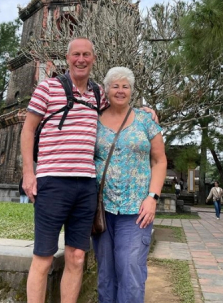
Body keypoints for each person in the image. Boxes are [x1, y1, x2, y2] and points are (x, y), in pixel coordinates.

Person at [21, 37, 107, 303]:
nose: (81, 59)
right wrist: (28, 172)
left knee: (77, 256)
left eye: (86, 55)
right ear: (67, 58)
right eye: (76, 55)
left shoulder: (98, 93)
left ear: (93, 58)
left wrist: (145, 112)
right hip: (53, 182)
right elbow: (28, 129)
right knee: (44, 257)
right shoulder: (47, 88)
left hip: (86, 185)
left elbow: (119, 115)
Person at [92, 67, 166, 303]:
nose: (120, 90)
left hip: (137, 210)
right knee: (106, 272)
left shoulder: (146, 120)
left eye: (125, 86)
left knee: (131, 269)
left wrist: (152, 197)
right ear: (106, 90)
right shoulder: (93, 120)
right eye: (115, 86)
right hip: (101, 210)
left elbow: (159, 160)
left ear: (132, 91)